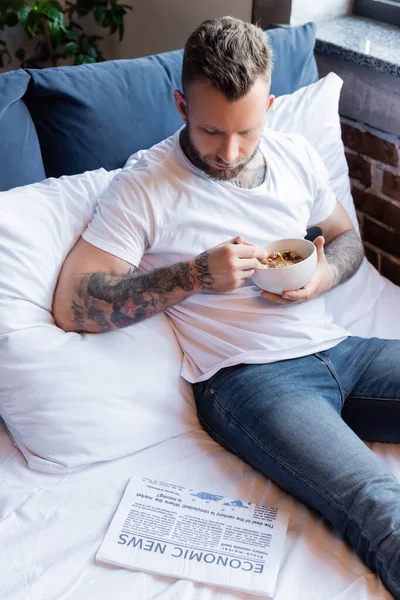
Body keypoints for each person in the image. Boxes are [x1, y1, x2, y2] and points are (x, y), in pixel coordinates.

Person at [53, 16, 400, 598]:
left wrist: (319, 279)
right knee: (379, 505)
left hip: (341, 350)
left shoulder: (294, 155)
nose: (229, 152)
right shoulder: (145, 185)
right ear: (181, 103)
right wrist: (194, 274)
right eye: (212, 131)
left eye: (246, 131)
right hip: (253, 383)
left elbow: (348, 240)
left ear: (269, 103)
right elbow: (73, 304)